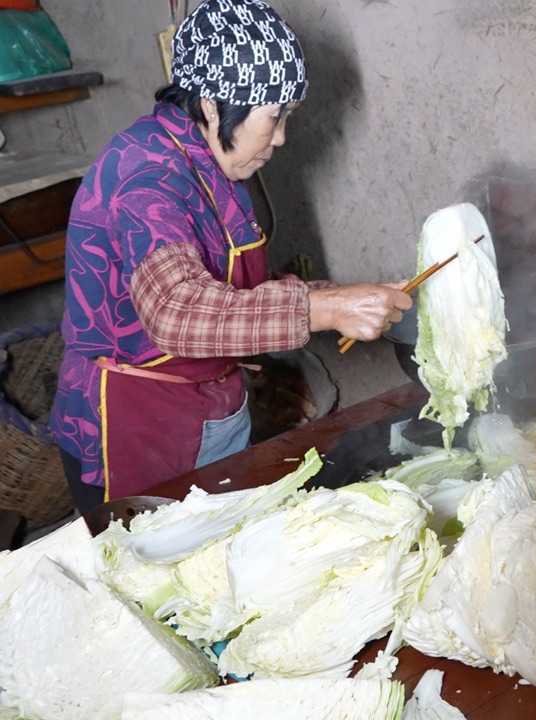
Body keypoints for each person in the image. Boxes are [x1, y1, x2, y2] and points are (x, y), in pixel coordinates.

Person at [50, 0, 412, 515]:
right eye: (274, 117)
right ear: (216, 104)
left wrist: (342, 296)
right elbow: (176, 310)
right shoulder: (147, 177)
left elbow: (228, 295)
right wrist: (327, 313)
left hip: (202, 410)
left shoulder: (202, 159)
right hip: (136, 427)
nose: (281, 137)